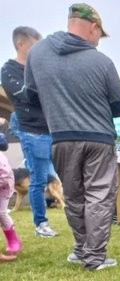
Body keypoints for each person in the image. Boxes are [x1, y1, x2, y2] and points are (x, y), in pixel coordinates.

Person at [25, 3, 120, 270]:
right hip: (99, 137)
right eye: (99, 34)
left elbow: (31, 95)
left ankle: (82, 249)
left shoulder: (37, 54)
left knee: (74, 195)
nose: (98, 40)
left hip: (61, 136)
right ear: (93, 27)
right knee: (99, 195)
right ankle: (94, 256)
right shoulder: (101, 62)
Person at [1, 26, 58, 238]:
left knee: (67, 175)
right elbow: (27, 95)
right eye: (35, 45)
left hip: (55, 129)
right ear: (21, 44)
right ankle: (41, 224)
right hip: (32, 131)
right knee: (39, 178)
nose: (39, 50)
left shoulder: (42, 68)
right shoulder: (9, 70)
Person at [1, 125, 22, 261]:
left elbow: (4, 175)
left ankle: (14, 241)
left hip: (3, 186)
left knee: (1, 213)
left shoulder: (1, 161)